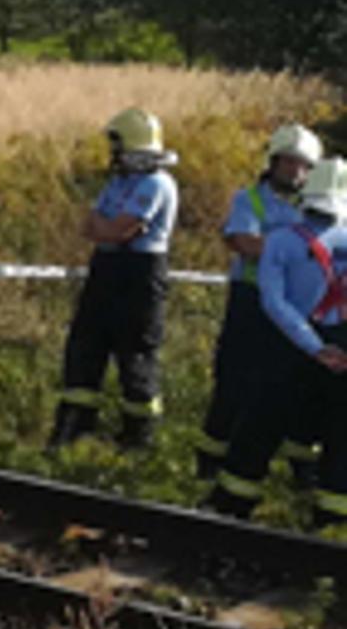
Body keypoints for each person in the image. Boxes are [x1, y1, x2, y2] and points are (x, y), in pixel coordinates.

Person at [198, 123, 326, 506]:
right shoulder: (250, 198)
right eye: (288, 162)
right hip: (251, 301)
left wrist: (279, 250)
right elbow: (242, 241)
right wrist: (293, 251)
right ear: (273, 162)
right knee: (234, 379)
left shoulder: (318, 204)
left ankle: (298, 468)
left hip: (294, 304)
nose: (296, 172)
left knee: (292, 385)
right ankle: (211, 458)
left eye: (304, 166)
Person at [217, 158, 347, 526]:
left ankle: (229, 513)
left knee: (259, 429)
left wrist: (312, 345)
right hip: (343, 350)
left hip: (288, 346)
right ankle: (330, 526)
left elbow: (273, 301)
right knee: (340, 438)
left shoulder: (281, 241)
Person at [48, 107, 179, 454]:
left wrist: (107, 229)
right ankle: (74, 430)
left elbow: (119, 230)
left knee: (135, 353)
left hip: (140, 273)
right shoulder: (118, 182)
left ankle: (138, 439)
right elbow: (90, 226)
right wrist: (106, 230)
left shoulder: (156, 183)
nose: (112, 152)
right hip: (105, 267)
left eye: (116, 144)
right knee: (86, 344)